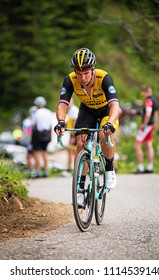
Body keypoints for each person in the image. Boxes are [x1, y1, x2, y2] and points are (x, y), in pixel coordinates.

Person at [54, 47, 120, 206]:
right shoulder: (69, 80)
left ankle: (110, 170)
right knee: (80, 142)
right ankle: (81, 188)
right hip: (87, 111)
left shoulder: (104, 78)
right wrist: (61, 122)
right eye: (79, 73)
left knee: (105, 136)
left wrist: (110, 123)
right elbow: (62, 105)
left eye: (86, 73)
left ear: (93, 69)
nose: (82, 78)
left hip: (106, 111)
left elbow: (115, 106)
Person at [134, 85, 158, 174]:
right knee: (148, 145)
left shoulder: (148, 100)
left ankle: (140, 167)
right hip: (151, 125)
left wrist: (144, 124)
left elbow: (148, 113)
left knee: (137, 145)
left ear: (145, 92)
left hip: (146, 126)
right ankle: (149, 167)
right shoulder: (154, 100)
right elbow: (155, 114)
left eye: (142, 93)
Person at [32, 96, 53, 178]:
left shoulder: (35, 112)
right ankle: (46, 171)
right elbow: (50, 126)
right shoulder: (48, 112)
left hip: (38, 134)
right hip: (47, 134)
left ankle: (38, 171)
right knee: (45, 152)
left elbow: (33, 125)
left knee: (36, 152)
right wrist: (50, 135)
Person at [61, 98, 79, 177]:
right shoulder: (72, 110)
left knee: (72, 151)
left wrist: (73, 136)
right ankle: (74, 169)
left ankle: (71, 169)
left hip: (74, 134)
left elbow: (75, 123)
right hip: (72, 133)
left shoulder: (73, 110)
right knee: (72, 151)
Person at [23, 105, 37, 177]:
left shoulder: (27, 121)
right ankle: (37, 171)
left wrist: (27, 141)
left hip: (30, 141)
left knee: (28, 157)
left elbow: (27, 132)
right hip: (37, 141)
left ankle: (32, 171)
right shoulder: (37, 120)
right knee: (36, 156)